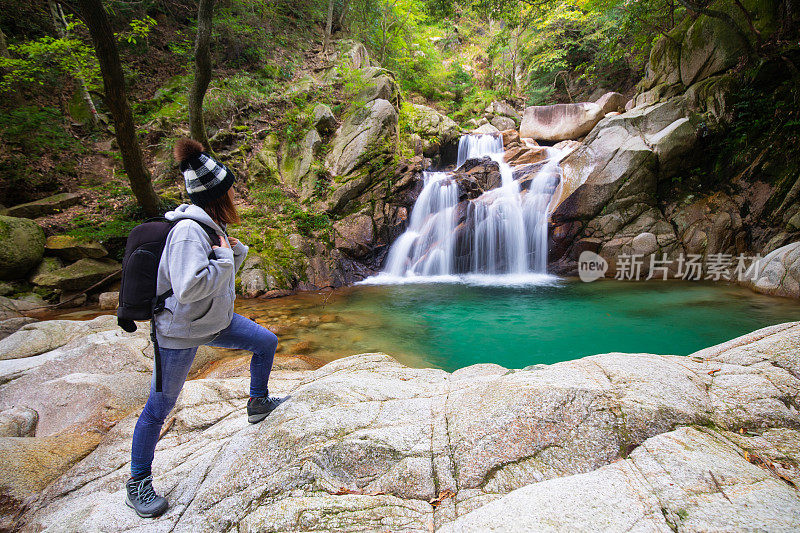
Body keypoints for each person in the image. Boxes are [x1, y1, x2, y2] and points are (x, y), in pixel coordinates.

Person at [125, 138, 282, 518]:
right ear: (218, 196)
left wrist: (233, 251)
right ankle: (138, 482)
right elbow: (190, 286)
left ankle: (257, 402)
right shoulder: (188, 232)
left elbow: (219, 280)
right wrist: (226, 257)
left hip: (214, 323)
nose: (236, 197)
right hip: (179, 334)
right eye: (231, 191)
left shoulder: (211, 228)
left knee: (266, 342)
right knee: (158, 408)